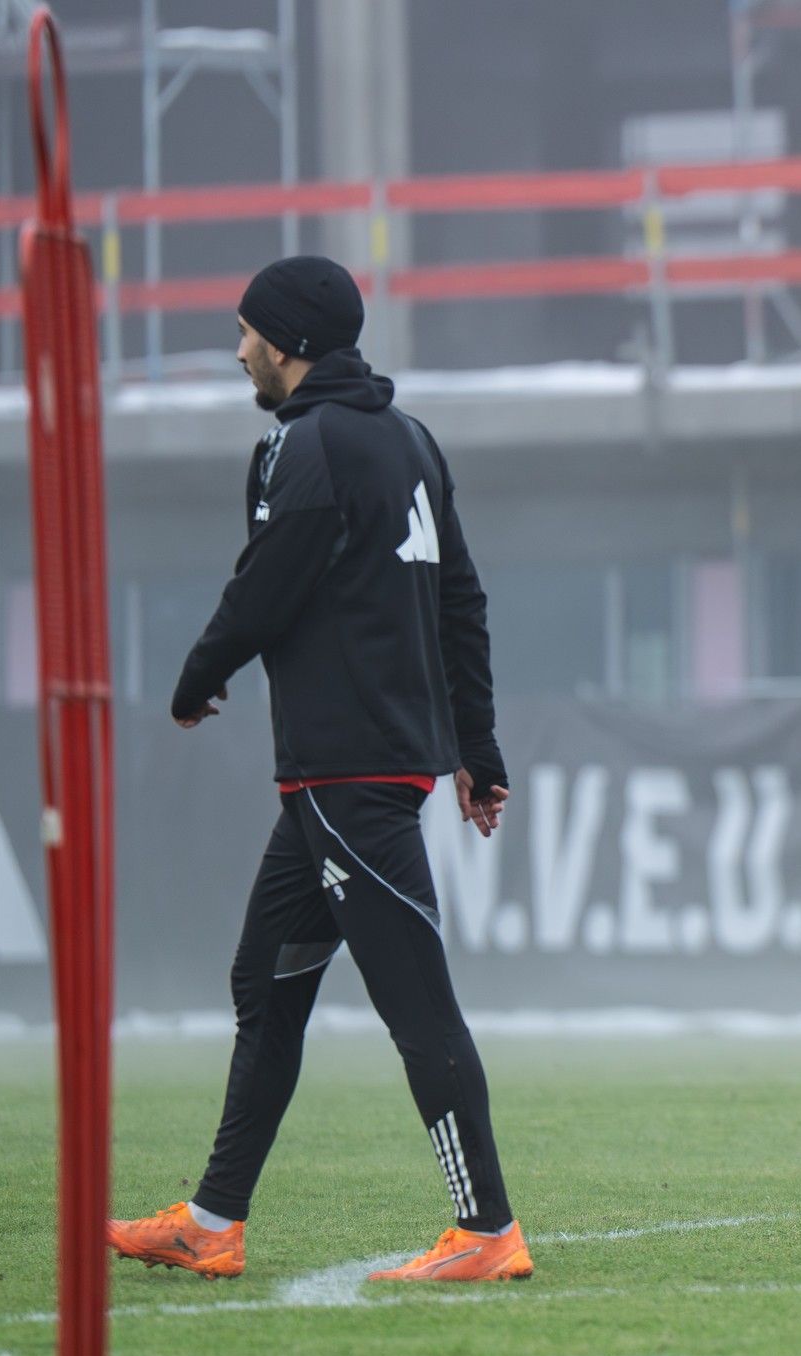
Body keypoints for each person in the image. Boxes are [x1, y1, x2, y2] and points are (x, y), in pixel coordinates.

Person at [105, 256, 531, 1282]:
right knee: (266, 982)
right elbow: (461, 603)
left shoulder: (304, 444)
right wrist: (474, 747)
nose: (238, 345)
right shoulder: (410, 438)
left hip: (349, 774)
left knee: (416, 1003)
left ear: (289, 341)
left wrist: (197, 673)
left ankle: (486, 1231)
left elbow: (266, 587)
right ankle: (213, 1219)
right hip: (341, 783)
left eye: (248, 330)